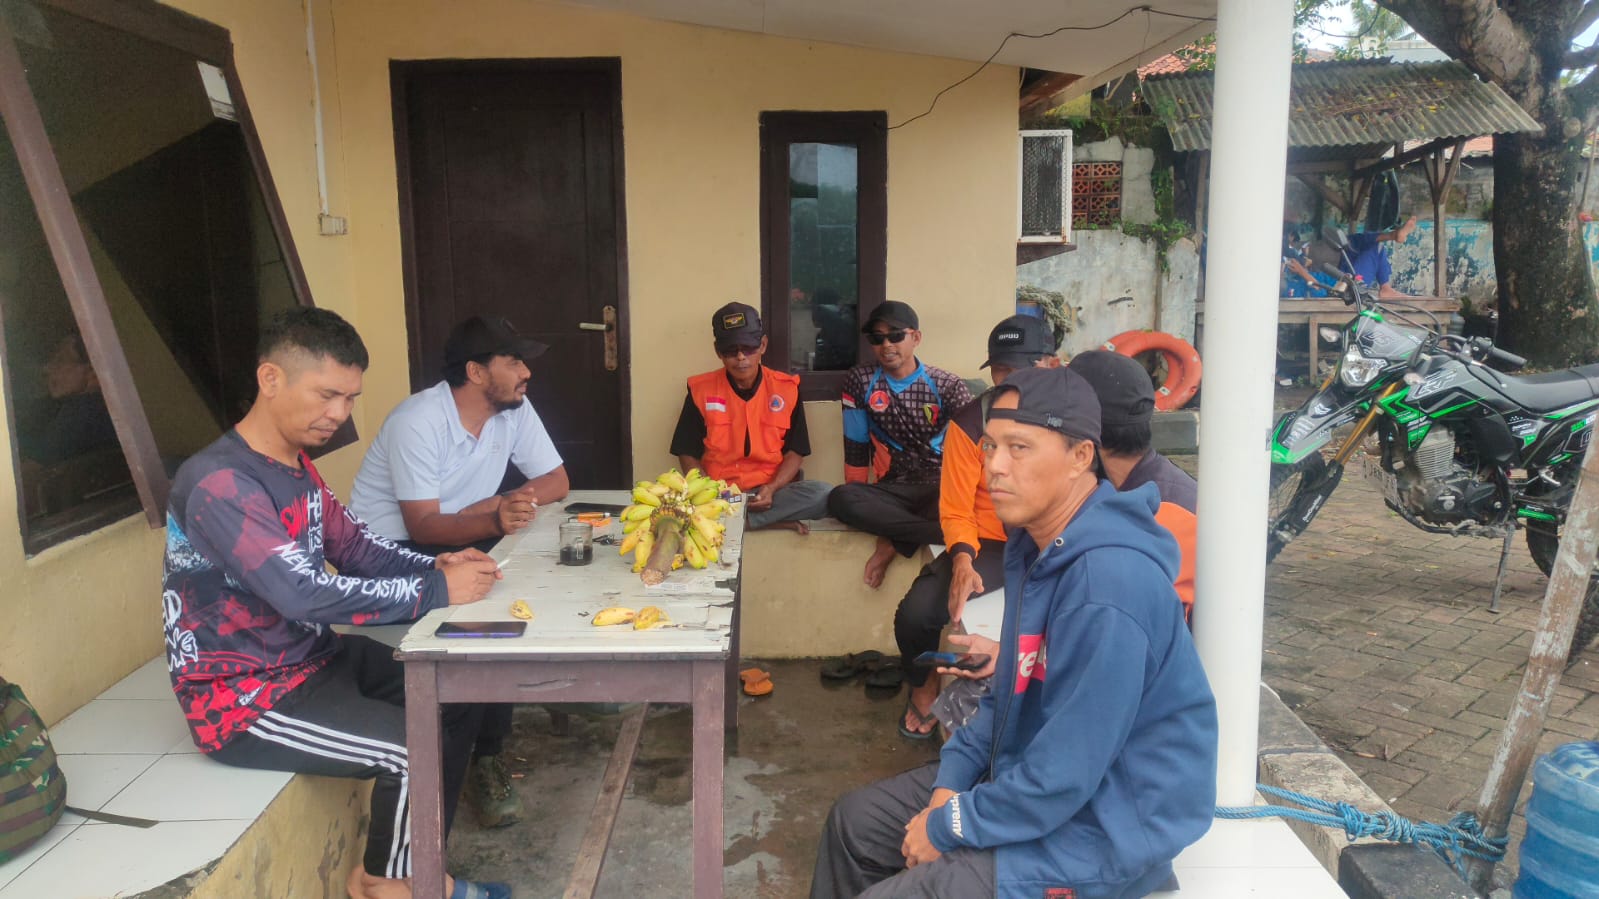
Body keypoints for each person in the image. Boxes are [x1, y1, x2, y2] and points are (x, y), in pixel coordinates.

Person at [810, 366, 1218, 899]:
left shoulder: (1108, 585)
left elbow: (1066, 774)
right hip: (1027, 776)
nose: (994, 467)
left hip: (1103, 826)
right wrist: (949, 787)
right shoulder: (1034, 546)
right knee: (855, 824)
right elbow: (1005, 695)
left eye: (1019, 448)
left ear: (1081, 456)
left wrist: (948, 826)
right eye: (990, 447)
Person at [161, 307, 509, 899]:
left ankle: (418, 865)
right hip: (246, 696)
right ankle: (390, 884)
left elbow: (355, 548)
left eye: (350, 399)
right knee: (410, 748)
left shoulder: (295, 466)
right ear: (271, 379)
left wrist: (436, 565)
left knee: (456, 687)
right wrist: (434, 591)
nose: (340, 414)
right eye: (327, 395)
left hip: (312, 660)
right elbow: (302, 593)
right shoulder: (220, 483)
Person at [351, 314, 570, 829]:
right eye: (513, 361)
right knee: (479, 634)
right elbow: (423, 525)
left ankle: (488, 755)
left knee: (513, 610)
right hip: (389, 554)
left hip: (460, 535)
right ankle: (465, 761)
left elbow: (557, 480)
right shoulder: (418, 421)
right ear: (475, 371)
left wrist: (496, 506)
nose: (526, 373)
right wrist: (495, 515)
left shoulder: (512, 407)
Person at [891, 315, 1059, 740]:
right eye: (1001, 371)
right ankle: (923, 686)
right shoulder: (970, 424)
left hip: (1055, 538)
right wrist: (963, 559)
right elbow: (956, 506)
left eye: (1021, 370)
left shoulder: (1071, 417)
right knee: (915, 614)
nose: (1009, 381)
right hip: (992, 541)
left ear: (1051, 365)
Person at [827, 301, 973, 588]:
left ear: (915, 338)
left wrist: (888, 530)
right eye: (877, 338)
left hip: (940, 486)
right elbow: (855, 446)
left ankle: (893, 543)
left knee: (962, 500)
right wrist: (861, 501)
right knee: (841, 499)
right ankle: (939, 533)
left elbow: (970, 455)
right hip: (894, 488)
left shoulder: (948, 386)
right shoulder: (860, 380)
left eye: (895, 336)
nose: (886, 345)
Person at [670, 302, 831, 531]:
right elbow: (686, 452)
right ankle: (763, 521)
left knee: (822, 494)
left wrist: (772, 488)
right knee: (676, 504)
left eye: (748, 348)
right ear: (718, 352)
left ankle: (739, 523)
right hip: (719, 494)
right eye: (730, 350)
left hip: (768, 492)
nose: (740, 357)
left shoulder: (786, 389)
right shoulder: (701, 390)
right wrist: (707, 491)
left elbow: (796, 452)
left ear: (762, 345)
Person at [1340, 214, 1418, 299]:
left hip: (1348, 281)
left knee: (1373, 244)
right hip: (1344, 286)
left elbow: (1361, 240)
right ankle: (1386, 288)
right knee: (1372, 245)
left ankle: (1393, 235)